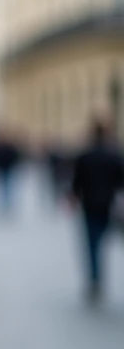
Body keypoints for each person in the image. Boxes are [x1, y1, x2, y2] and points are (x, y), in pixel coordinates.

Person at [70, 117, 124, 303]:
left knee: (92, 246)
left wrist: (73, 198)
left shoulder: (85, 155)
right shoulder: (114, 155)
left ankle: (95, 281)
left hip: (90, 206)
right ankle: (97, 280)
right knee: (107, 243)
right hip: (110, 206)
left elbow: (77, 182)